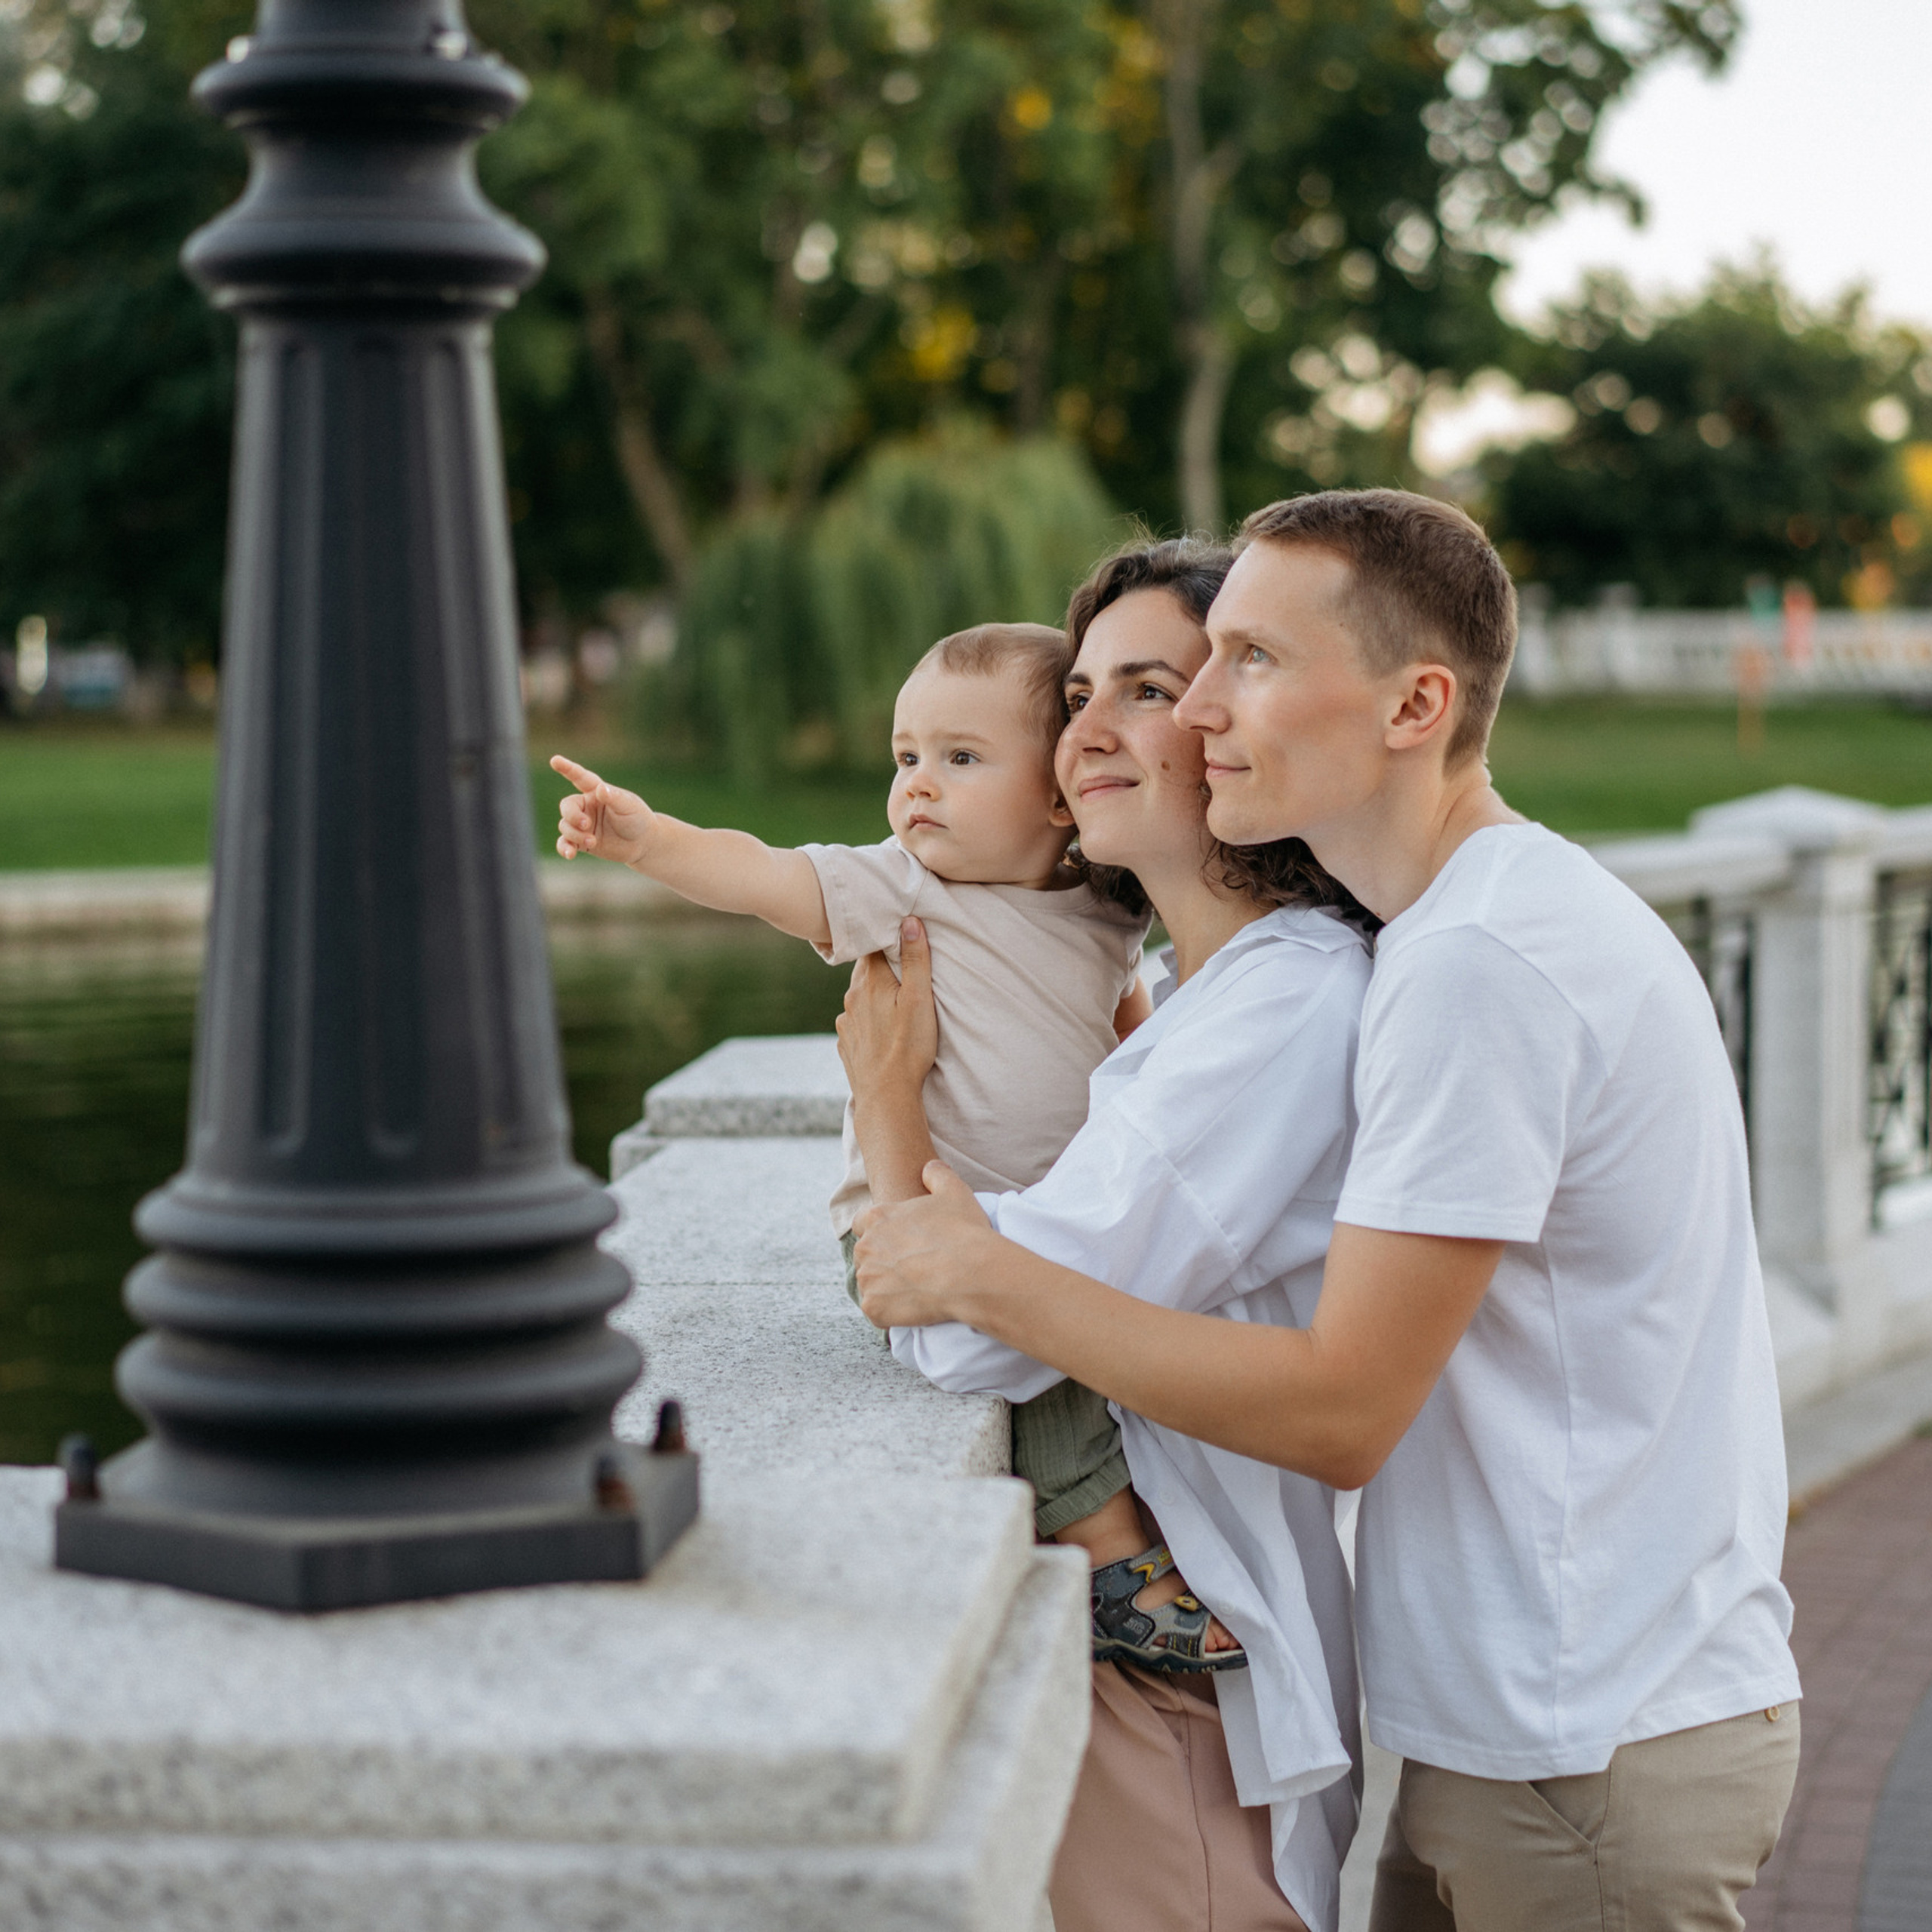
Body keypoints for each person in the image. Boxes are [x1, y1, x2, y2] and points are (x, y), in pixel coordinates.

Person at [850, 491, 1801, 1932]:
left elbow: (1344, 1408)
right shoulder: (1450, 936)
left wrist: (968, 1260)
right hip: (1534, 1715)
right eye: (1205, 663)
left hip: (1593, 1734)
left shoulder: (1477, 967)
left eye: (1247, 666)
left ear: (1417, 703)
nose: (1202, 714)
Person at [840, 537, 1379, 1932]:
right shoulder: (1169, 992)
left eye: (1148, 686)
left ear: (1237, 721)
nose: (1085, 731)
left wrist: (889, 1104)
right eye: (1078, 691)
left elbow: (968, 1337)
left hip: (1176, 1675)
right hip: (1162, 1659)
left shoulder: (1275, 1013)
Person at [549, 621, 1231, 1669]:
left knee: (1096, 1324)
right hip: (916, 1227)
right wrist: (648, 841)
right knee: (1048, 1360)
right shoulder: (904, 888)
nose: (917, 787)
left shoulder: (1103, 908)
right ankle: (1104, 1552)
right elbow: (765, 875)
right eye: (906, 757)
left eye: (960, 760)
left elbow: (1124, 1023)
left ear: (1059, 797)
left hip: (1038, 1215)